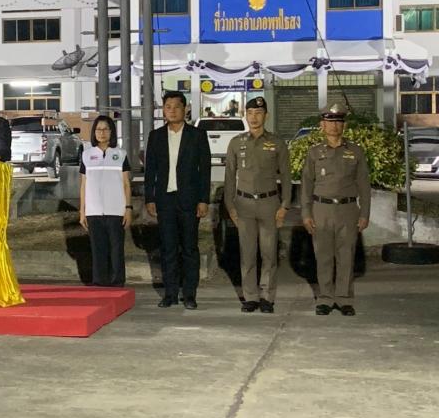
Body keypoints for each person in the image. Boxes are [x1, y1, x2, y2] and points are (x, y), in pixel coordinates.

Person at [301, 102, 371, 316]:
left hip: (347, 210)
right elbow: (306, 185)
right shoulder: (314, 152)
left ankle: (344, 299)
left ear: (344, 125)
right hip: (321, 209)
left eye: (338, 122)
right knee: (323, 256)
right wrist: (306, 213)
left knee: (346, 256)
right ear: (322, 125)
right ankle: (325, 298)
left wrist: (364, 213)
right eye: (329, 122)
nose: (334, 126)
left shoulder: (355, 151)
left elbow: (363, 184)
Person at [224, 97, 292, 313]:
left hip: (269, 204)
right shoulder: (236, 142)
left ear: (266, 116)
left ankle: (267, 297)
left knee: (269, 253)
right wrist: (230, 205)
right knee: (247, 253)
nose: (254, 117)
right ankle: (250, 296)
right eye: (250, 113)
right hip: (243, 204)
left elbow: (287, 177)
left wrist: (285, 205)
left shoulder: (277, 143)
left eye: (258, 113)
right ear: (245, 115)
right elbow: (229, 176)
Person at [144, 91, 211, 309]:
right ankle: (170, 293)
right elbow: (150, 170)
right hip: (165, 200)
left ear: (185, 109)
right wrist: (150, 197)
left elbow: (205, 170)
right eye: (168, 107)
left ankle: (189, 294)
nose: (172, 111)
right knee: (168, 248)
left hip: (189, 200)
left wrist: (203, 200)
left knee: (190, 248)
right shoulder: (156, 136)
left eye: (176, 106)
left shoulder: (197, 135)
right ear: (163, 110)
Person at [79, 115, 132, 287]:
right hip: (93, 211)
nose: (102, 133)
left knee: (116, 250)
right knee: (98, 250)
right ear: (94, 132)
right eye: (98, 129)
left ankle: (117, 283)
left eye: (105, 129)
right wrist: (82, 211)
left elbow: (126, 184)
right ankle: (99, 283)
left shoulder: (120, 154)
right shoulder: (87, 155)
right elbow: (83, 185)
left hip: (116, 210)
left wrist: (128, 208)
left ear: (112, 132)